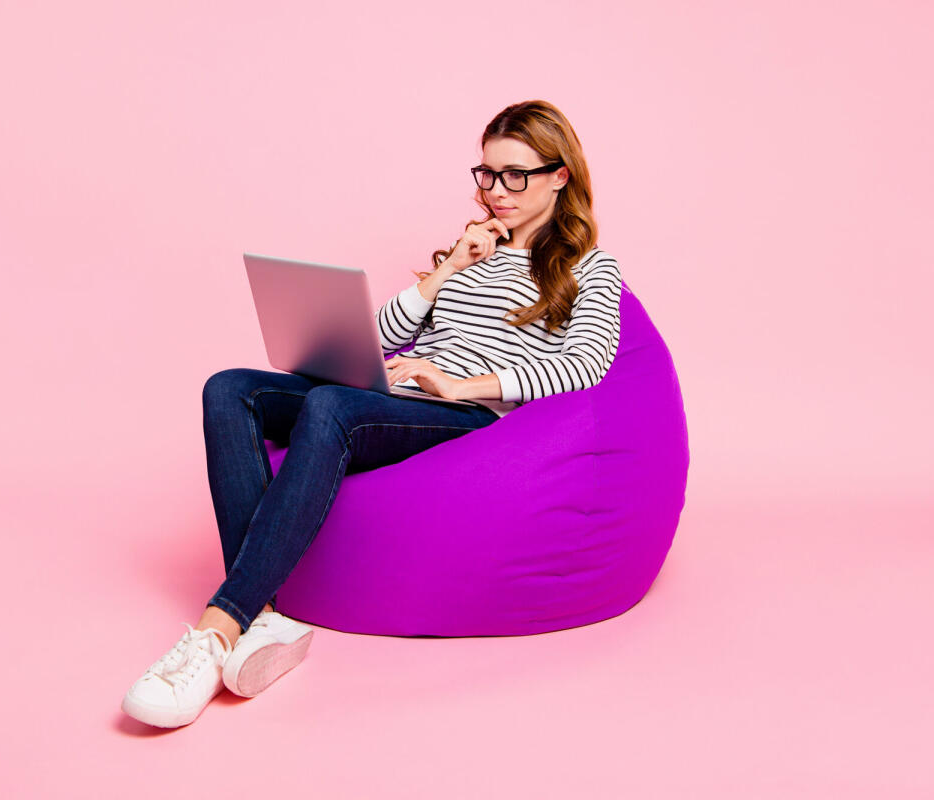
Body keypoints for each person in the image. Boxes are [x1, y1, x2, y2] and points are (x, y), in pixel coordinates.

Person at [121, 99, 624, 728]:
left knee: (330, 404)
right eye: (487, 174)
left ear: (560, 176)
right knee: (229, 388)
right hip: (401, 397)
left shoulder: (589, 268)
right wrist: (443, 275)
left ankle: (217, 631)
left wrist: (462, 386)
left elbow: (584, 368)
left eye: (515, 175)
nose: (496, 192)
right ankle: (269, 617)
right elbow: (383, 337)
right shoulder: (472, 249)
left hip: (468, 418)